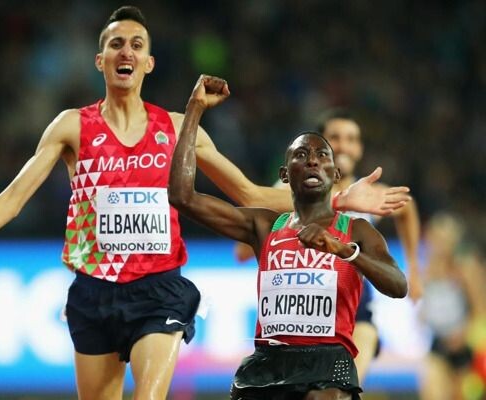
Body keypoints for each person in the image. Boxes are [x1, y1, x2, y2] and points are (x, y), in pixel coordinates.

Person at [0, 6, 411, 400]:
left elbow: (249, 195)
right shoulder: (72, 126)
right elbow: (13, 198)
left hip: (159, 290)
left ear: (148, 63)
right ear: (100, 60)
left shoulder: (174, 128)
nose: (125, 51)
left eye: (136, 44)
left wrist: (338, 199)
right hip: (94, 291)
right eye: (115, 44)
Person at [168, 75, 408, 400]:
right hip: (268, 363)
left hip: (328, 363)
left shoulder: (356, 230)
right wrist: (195, 109)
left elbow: (398, 285)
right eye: (301, 155)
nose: (312, 160)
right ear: (284, 175)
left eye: (322, 156)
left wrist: (344, 251)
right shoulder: (264, 226)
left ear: (335, 174)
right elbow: (182, 197)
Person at [234, 109, 422, 382]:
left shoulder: (368, 192)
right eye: (335, 137)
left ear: (360, 148)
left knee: (347, 383)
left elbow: (407, 208)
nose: (344, 145)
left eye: (351, 139)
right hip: (300, 306)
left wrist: (414, 268)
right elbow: (242, 250)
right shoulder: (290, 189)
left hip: (354, 306)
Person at [419, 213, 484, 400]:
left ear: (453, 241)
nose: (438, 244)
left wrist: (464, 334)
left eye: (443, 240)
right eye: (435, 239)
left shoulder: (465, 267)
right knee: (432, 391)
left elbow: (479, 307)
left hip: (466, 345)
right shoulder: (427, 269)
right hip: (439, 342)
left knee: (462, 394)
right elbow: (426, 306)